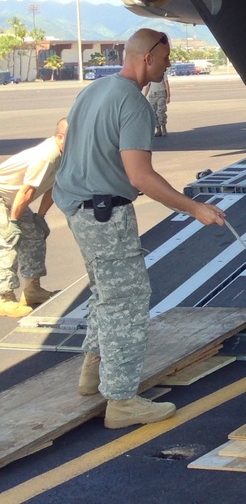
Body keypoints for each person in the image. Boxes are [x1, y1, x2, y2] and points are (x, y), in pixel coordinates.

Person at [53, 29, 226, 429]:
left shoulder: (94, 91)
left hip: (79, 209)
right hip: (106, 216)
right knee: (127, 303)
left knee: (105, 293)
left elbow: (80, 151)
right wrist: (195, 208)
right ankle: (122, 401)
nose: (168, 67)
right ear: (148, 57)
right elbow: (142, 176)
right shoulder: (133, 104)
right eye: (166, 60)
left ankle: (92, 371)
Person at [0, 118, 68, 317]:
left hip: (14, 200)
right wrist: (13, 222)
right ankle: (4, 297)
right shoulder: (47, 156)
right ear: (59, 137)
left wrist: (40, 216)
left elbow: (54, 186)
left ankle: (32, 290)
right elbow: (27, 191)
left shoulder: (65, 154)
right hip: (4, 197)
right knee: (8, 241)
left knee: (35, 234)